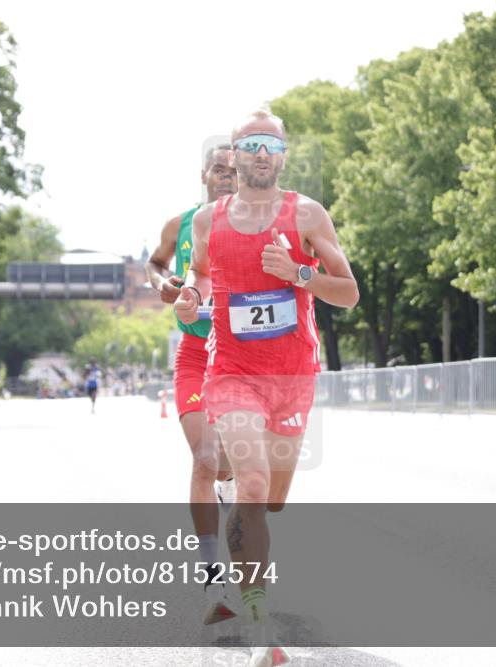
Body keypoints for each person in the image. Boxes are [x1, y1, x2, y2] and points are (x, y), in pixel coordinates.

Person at [175, 110, 359, 666]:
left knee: (272, 501)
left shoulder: (307, 214)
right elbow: (200, 275)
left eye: (270, 145)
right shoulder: (209, 221)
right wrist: (191, 296)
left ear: (282, 155)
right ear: (234, 153)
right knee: (252, 486)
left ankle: (239, 507)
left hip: (293, 374)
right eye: (250, 144)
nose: (260, 154)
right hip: (231, 371)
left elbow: (348, 293)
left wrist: (297, 274)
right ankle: (261, 629)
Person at [146, 142, 239, 625]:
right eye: (218, 169)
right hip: (196, 354)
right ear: (203, 175)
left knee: (226, 465)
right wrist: (160, 283)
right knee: (204, 458)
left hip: (244, 356)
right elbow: (156, 263)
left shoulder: (255, 225)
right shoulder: (180, 225)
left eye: (233, 170)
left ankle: (228, 486)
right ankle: (212, 579)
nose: (226, 176)